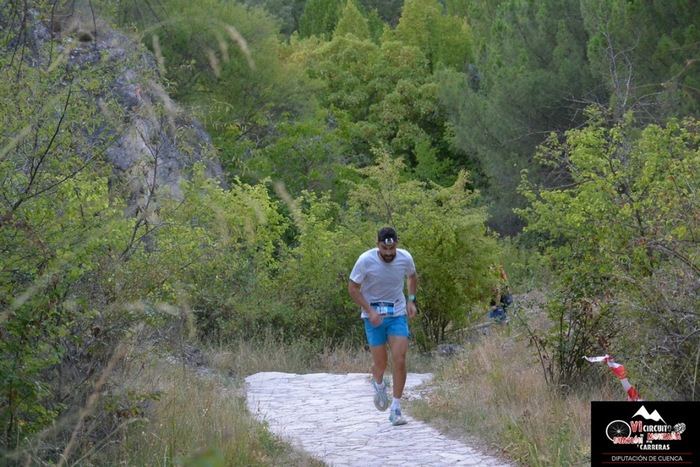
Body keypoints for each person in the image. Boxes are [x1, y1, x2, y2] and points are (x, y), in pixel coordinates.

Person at [348, 227, 417, 426]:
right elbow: (352, 288)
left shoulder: (405, 258)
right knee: (381, 365)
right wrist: (369, 311)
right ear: (377, 244)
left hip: (396, 314)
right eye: (384, 249)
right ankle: (378, 383)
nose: (388, 253)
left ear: (397, 244)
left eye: (392, 249)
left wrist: (411, 301)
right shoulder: (365, 260)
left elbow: (412, 276)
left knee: (400, 359)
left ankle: (396, 408)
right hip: (373, 318)